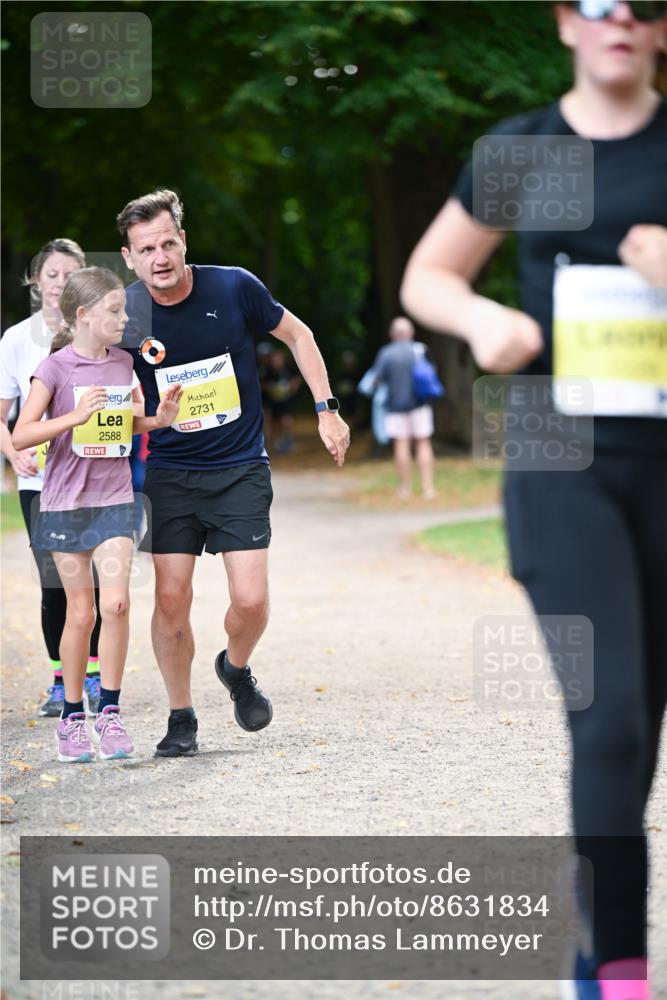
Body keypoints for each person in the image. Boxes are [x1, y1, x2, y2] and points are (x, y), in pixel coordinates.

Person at [401, 3, 667, 998]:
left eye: (644, 6)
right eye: (599, 3)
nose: (621, 19)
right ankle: (612, 967)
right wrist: (481, 319)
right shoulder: (526, 151)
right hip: (561, 460)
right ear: (565, 22)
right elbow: (429, 274)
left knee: (639, 726)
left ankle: (597, 898)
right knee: (607, 721)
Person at [116, 189, 350, 758]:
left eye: (167, 244)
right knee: (171, 599)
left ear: (183, 241)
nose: (160, 258)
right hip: (171, 473)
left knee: (249, 601)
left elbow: (299, 335)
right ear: (128, 257)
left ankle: (235, 667)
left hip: (240, 468)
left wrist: (326, 409)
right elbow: (94, 388)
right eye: (146, 249)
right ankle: (181, 716)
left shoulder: (234, 287)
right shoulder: (123, 314)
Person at [12, 267, 181, 762]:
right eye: (115, 311)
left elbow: (130, 422)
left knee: (118, 605)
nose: (124, 319)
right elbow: (21, 435)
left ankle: (109, 712)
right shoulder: (54, 369)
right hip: (65, 505)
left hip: (115, 501)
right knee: (81, 613)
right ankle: (71, 717)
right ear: (83, 315)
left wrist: (159, 420)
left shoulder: (124, 363)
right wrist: (74, 417)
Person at [0, 238, 105, 718]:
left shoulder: (100, 332)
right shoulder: (16, 340)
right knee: (53, 583)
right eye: (52, 274)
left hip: (91, 476)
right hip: (39, 481)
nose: (60, 282)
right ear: (36, 281)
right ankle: (62, 682)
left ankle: (95, 676)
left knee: (94, 581)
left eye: (70, 274)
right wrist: (13, 454)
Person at [372, 316, 437, 500]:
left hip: (395, 407)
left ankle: (405, 489)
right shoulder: (420, 350)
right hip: (420, 405)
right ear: (411, 333)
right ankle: (428, 488)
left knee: (401, 444)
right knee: (423, 443)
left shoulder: (386, 353)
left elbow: (376, 381)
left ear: (392, 334)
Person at [262, 347, 302, 454]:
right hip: (274, 402)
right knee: (274, 423)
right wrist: (271, 387)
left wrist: (292, 386)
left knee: (286, 420)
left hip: (286, 401)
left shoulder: (289, 369)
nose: (276, 361)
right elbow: (263, 384)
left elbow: (297, 378)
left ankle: (288, 441)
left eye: (278, 359)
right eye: (274, 360)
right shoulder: (268, 371)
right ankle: (276, 443)